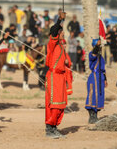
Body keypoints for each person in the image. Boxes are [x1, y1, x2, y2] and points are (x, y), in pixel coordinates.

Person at [45, 11, 68, 139]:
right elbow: (53, 30)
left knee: (60, 104)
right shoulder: (52, 43)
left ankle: (54, 127)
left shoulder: (61, 45)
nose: (63, 33)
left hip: (60, 77)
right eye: (61, 31)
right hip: (53, 77)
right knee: (54, 103)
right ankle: (49, 128)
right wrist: (59, 19)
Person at [85, 39, 107, 124]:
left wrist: (105, 79)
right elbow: (94, 52)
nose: (100, 48)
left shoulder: (101, 57)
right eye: (99, 46)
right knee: (92, 96)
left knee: (99, 96)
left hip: (100, 78)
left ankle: (96, 115)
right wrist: (97, 46)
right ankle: (91, 116)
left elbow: (103, 69)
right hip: (93, 78)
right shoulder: (92, 54)